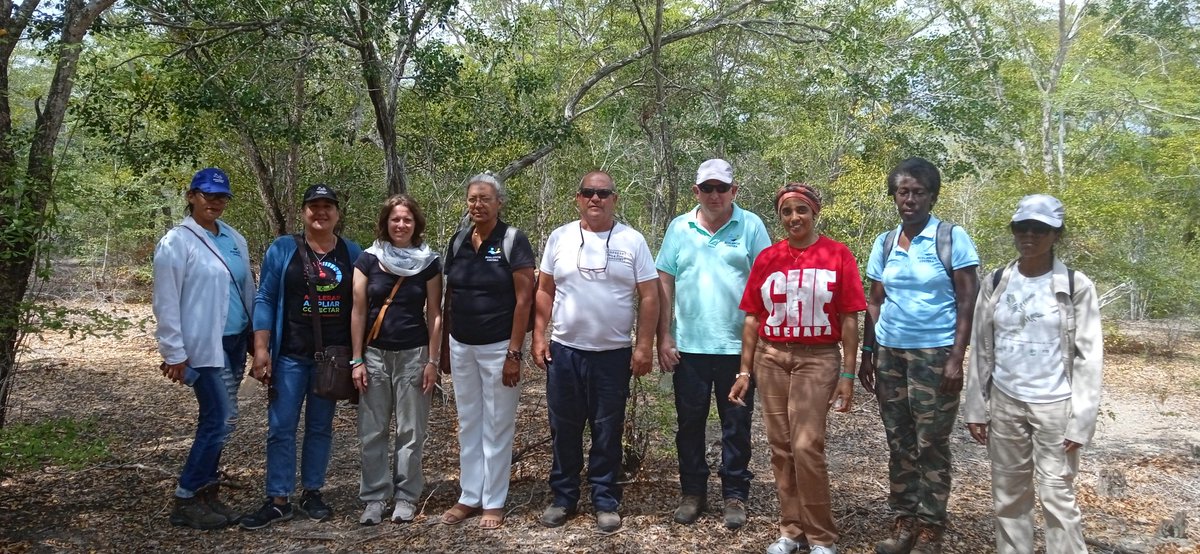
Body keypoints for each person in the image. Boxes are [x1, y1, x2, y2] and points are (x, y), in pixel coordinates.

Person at [729, 183, 865, 554]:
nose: (794, 218)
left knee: (807, 446)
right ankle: (791, 530)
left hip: (817, 359)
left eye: (801, 210)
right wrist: (744, 371)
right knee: (781, 447)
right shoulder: (769, 258)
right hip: (772, 357)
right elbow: (753, 318)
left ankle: (821, 536)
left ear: (814, 212)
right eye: (787, 212)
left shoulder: (837, 255)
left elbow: (850, 318)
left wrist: (848, 375)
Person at [964, 195, 1102, 554]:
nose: (1029, 235)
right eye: (1021, 227)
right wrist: (976, 407)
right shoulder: (996, 282)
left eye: (1039, 229)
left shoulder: (1076, 285)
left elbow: (1089, 355)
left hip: (1056, 406)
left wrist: (1081, 420)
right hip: (1007, 403)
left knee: (1058, 496)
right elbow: (981, 347)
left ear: (1056, 234)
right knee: (1009, 497)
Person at [858, 158, 980, 554]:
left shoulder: (950, 238)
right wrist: (868, 351)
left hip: (935, 354)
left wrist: (956, 357)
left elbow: (967, 298)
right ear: (893, 195)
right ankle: (903, 522)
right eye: (902, 191)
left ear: (932, 195)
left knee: (932, 443)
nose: (909, 199)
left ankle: (931, 527)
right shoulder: (886, 241)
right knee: (899, 441)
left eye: (918, 192)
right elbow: (875, 301)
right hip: (891, 354)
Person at [531, 171, 659, 533]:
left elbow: (650, 295)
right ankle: (564, 497)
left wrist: (644, 345)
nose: (595, 199)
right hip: (566, 351)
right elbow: (544, 290)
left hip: (613, 354)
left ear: (614, 199)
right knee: (564, 428)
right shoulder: (560, 237)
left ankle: (605, 499)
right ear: (578, 197)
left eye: (603, 193)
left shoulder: (632, 240)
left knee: (607, 430)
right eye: (588, 192)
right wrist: (539, 336)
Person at [655, 158, 771, 529]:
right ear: (697, 191)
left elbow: (767, 284)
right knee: (689, 424)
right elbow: (664, 283)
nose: (715, 195)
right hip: (689, 347)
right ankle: (693, 492)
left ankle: (735, 493)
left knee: (736, 424)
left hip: (738, 348)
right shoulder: (680, 228)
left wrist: (762, 344)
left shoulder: (751, 226)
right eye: (708, 188)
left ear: (734, 191)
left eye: (722, 188)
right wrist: (664, 335)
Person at [240, 184, 363, 530]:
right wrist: (262, 348)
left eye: (327, 206)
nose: (320, 212)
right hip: (290, 355)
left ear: (337, 213)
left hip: (332, 359)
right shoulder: (283, 249)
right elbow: (265, 297)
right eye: (314, 206)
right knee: (281, 428)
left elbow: (363, 304)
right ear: (304, 211)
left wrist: (359, 356)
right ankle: (278, 499)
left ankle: (313, 492)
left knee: (320, 427)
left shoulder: (351, 253)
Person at [154, 168, 256, 529]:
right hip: (202, 345)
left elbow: (246, 289)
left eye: (221, 196)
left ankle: (207, 492)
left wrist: (257, 336)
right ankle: (186, 497)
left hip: (234, 342)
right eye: (208, 194)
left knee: (221, 421)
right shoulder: (176, 242)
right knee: (220, 418)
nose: (215, 202)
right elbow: (165, 300)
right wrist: (173, 352)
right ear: (192, 195)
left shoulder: (233, 238)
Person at [438, 174, 536, 530]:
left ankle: (493, 501)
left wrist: (514, 353)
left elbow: (524, 299)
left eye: (485, 199)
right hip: (461, 344)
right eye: (472, 199)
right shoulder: (459, 240)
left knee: (497, 425)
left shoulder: (513, 240)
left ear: (499, 203)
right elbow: (452, 295)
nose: (477, 205)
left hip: (498, 347)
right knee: (469, 423)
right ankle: (469, 495)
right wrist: (446, 346)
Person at [348, 194, 442, 526]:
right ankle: (374, 497)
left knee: (411, 430)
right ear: (385, 223)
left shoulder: (428, 262)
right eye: (395, 219)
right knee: (372, 430)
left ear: (415, 224)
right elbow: (358, 311)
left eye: (407, 220)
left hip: (413, 354)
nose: (400, 225)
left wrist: (433, 360)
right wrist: (356, 359)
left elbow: (434, 313)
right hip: (373, 355)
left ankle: (405, 497)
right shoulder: (367, 260)